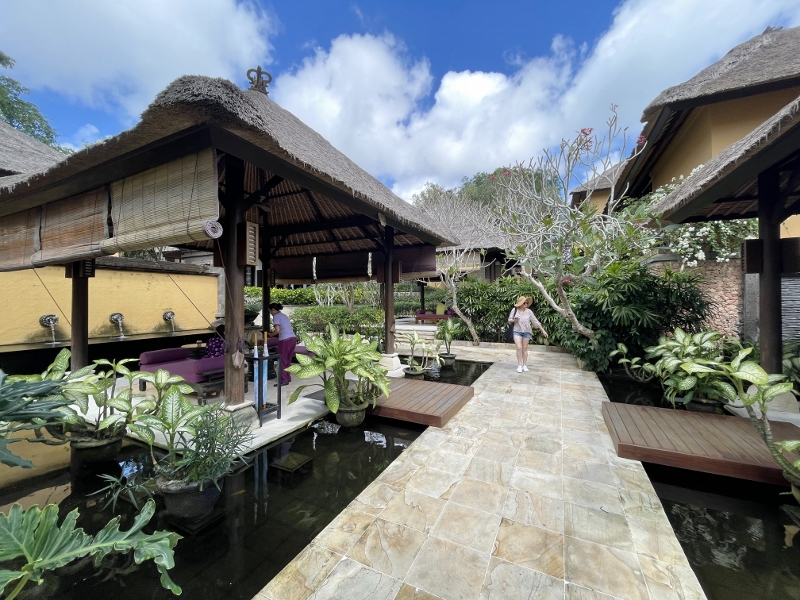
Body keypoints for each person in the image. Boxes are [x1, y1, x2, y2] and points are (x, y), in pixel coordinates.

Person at [509, 295, 548, 373]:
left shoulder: (529, 311)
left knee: (525, 348)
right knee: (519, 347)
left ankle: (524, 365)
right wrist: (514, 321)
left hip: (527, 332)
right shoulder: (514, 310)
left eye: (527, 303)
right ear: (520, 303)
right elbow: (509, 319)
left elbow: (535, 321)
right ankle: (519, 365)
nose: (526, 304)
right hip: (517, 331)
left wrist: (543, 331)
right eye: (524, 303)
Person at [267, 303, 296, 387]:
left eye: (270, 311)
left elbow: (277, 330)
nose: (270, 314)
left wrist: (271, 335)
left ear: (273, 309)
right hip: (293, 338)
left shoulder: (276, 316)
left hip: (285, 340)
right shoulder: (284, 315)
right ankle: (287, 377)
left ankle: (284, 380)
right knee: (288, 359)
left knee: (282, 359)